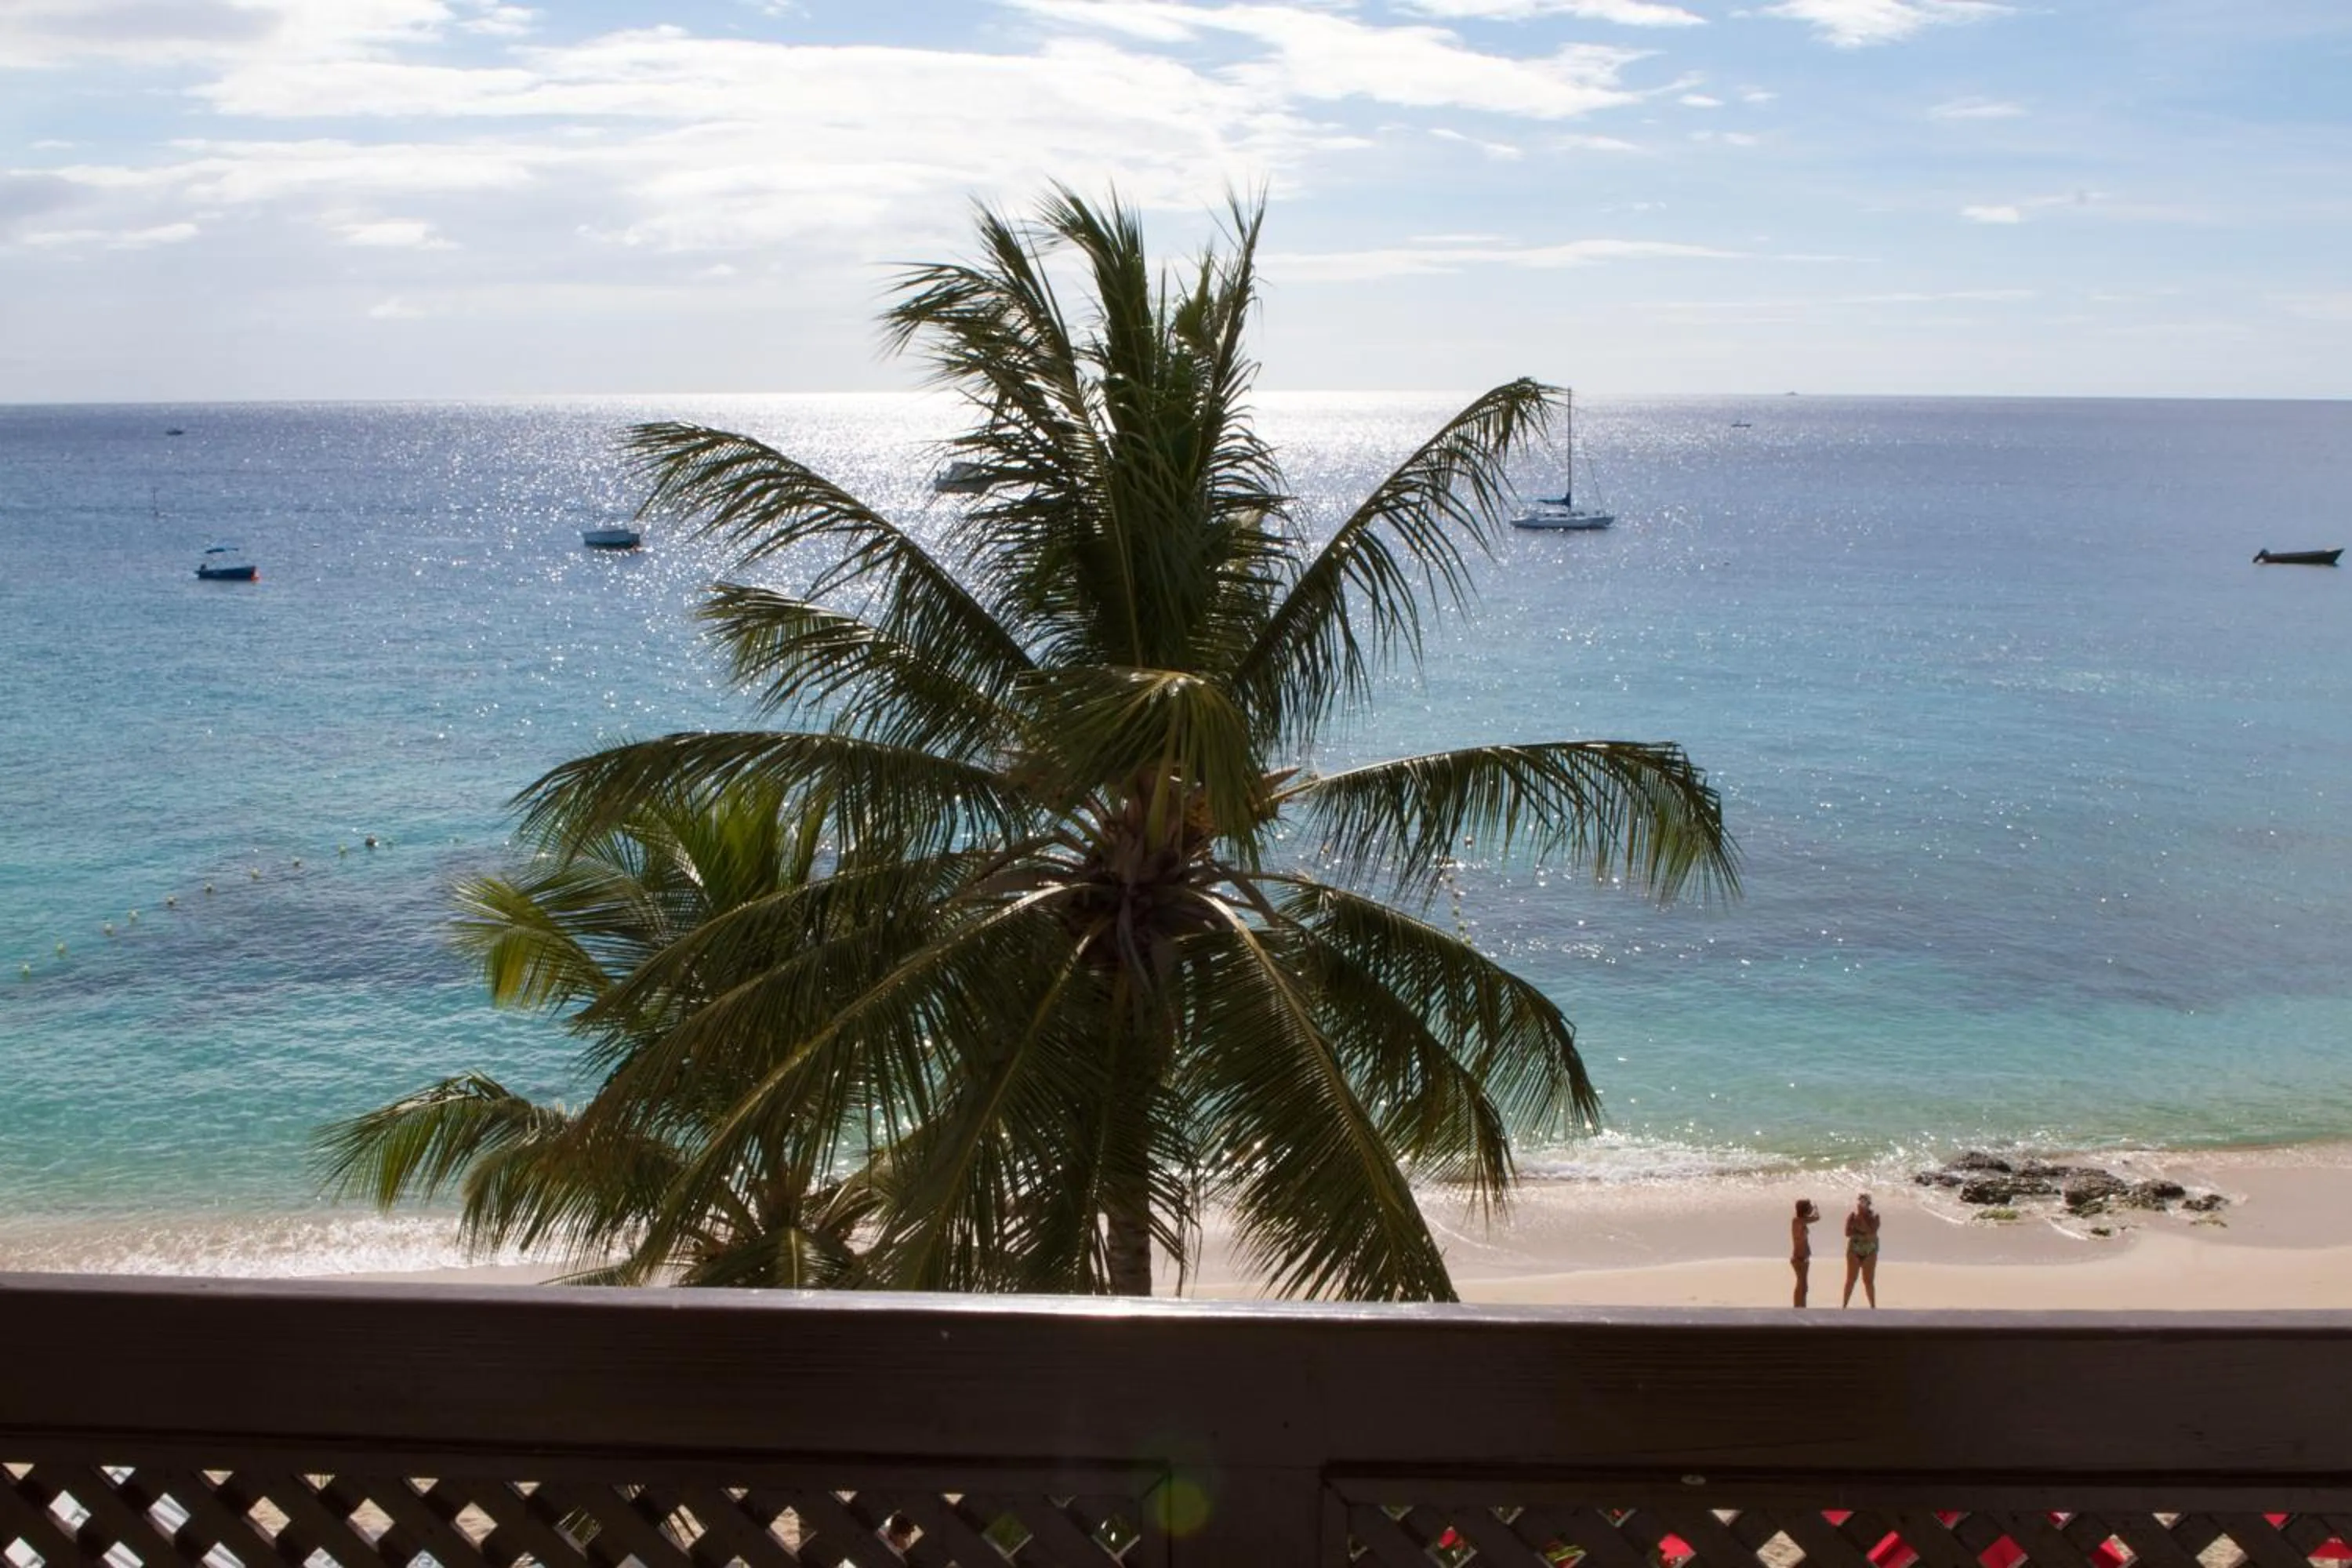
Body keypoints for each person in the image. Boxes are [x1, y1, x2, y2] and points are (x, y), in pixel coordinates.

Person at [1842, 1193, 1880, 1308]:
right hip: (1854, 1249)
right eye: (1860, 1202)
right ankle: (1844, 1305)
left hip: (1870, 1250)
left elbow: (1870, 1231)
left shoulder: (1875, 1218)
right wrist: (1857, 1225)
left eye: (1864, 1202)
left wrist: (1861, 1220)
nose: (1861, 1204)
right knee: (1851, 1279)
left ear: (1869, 1204)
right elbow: (1847, 1233)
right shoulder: (1853, 1217)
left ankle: (1873, 1306)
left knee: (1868, 1281)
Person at [1791, 1198, 1820, 1307]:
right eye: (1809, 1207)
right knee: (1801, 1284)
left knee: (1804, 1286)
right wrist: (1816, 1209)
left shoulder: (1802, 1222)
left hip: (1804, 1258)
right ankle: (1798, 1307)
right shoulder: (1797, 1221)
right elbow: (1816, 1218)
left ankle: (1802, 1306)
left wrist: (1814, 1209)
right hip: (1799, 1258)